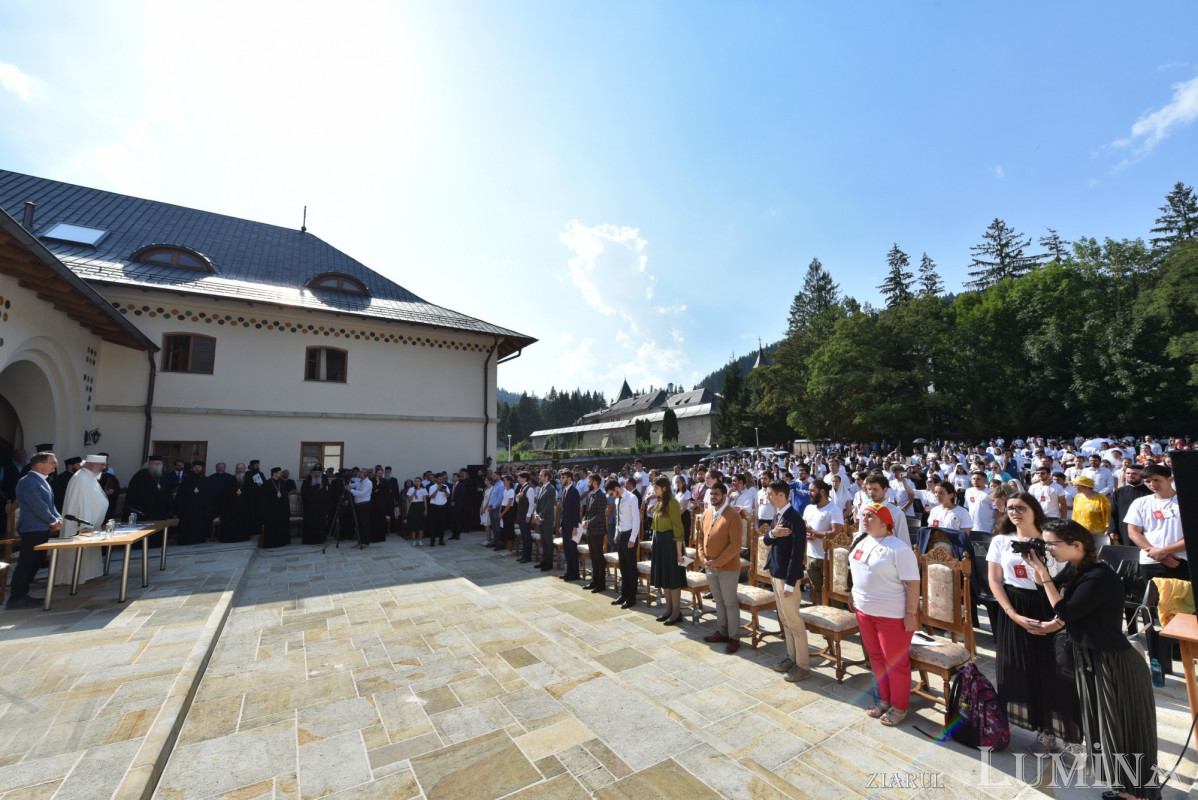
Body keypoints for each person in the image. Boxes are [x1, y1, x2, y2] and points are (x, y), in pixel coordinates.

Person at [1026, 519, 1162, 800]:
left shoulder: (1099, 577)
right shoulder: (1078, 568)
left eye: (1052, 543)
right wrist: (1039, 571)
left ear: (1076, 545)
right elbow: (1054, 598)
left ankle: (1135, 794)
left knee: (1122, 728)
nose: (1048, 548)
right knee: (1103, 730)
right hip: (1091, 658)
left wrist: (1043, 572)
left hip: (1112, 663)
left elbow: (1065, 609)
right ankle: (1125, 788)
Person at [987, 492, 1081, 752]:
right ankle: (1041, 727)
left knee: (1053, 669)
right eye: (1010, 508)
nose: (1015, 512)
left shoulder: (1049, 540)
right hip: (1013, 607)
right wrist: (1012, 613)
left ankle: (1064, 729)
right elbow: (995, 581)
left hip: (1046, 603)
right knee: (1019, 668)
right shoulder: (1000, 541)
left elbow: (1063, 578)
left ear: (1034, 510)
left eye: (1021, 507)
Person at [847, 503, 920, 727]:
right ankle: (884, 699)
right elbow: (856, 571)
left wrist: (911, 613)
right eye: (863, 516)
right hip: (864, 610)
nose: (864, 519)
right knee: (876, 657)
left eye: (870, 516)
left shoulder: (898, 548)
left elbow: (913, 582)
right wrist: (852, 594)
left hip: (892, 614)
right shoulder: (861, 540)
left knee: (895, 662)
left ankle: (899, 705)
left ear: (884, 522)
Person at [762, 479, 811, 681]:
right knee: (784, 619)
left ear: (781, 495)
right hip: (776, 573)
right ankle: (792, 657)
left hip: (786, 578)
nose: (768, 497)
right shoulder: (778, 515)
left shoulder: (795, 519)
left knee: (794, 621)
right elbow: (766, 540)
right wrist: (772, 533)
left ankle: (803, 665)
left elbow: (796, 554)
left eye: (770, 493)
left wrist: (790, 583)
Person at [7, 452, 62, 609]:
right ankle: (16, 598)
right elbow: (38, 505)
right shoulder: (28, 482)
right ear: (39, 465)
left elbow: (50, 505)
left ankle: (22, 595)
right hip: (32, 528)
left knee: (35, 562)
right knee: (27, 563)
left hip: (40, 528)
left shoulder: (41, 480)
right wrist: (52, 520)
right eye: (52, 462)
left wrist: (58, 519)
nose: (55, 465)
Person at [698, 481, 742, 652]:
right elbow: (701, 537)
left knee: (730, 602)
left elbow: (735, 545)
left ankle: (734, 637)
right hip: (710, 566)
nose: (713, 497)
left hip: (728, 567)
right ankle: (722, 631)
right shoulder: (708, 513)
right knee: (719, 601)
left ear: (725, 495)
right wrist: (702, 556)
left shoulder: (733, 515)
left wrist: (718, 561)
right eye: (711, 494)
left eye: (716, 494)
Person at [1125, 463, 1186, 582]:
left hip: (1181, 559)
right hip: (1151, 561)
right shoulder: (1140, 503)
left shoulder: (1187, 501)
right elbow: (1133, 532)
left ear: (1170, 479)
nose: (1152, 484)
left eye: (1157, 480)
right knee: (1155, 599)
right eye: (1148, 481)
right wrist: (1159, 555)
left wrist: (1164, 551)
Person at [58, 454, 110, 585]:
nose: (104, 468)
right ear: (92, 465)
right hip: (81, 525)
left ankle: (86, 575)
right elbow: (80, 503)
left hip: (90, 523)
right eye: (101, 465)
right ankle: (73, 577)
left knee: (88, 555)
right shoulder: (81, 478)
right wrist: (85, 522)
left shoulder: (88, 476)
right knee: (75, 553)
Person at [648, 475, 687, 624]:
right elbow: (655, 527)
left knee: (673, 579)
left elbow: (678, 528)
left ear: (664, 488)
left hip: (671, 545)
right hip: (660, 545)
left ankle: (677, 612)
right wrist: (654, 542)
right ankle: (669, 609)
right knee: (665, 578)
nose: (654, 490)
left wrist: (679, 553)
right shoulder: (659, 503)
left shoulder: (673, 503)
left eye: (657, 488)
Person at [803, 479, 844, 604]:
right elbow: (804, 527)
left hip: (827, 558)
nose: (809, 493)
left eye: (812, 491)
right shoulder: (809, 508)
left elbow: (836, 534)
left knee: (831, 591)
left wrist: (814, 533)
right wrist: (806, 534)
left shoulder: (834, 509)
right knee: (816, 590)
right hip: (811, 555)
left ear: (822, 492)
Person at [125, 455, 174, 547]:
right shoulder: (140, 475)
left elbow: (168, 491)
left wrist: (169, 505)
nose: (156, 465)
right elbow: (133, 493)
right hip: (145, 508)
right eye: (154, 463)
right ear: (149, 464)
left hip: (161, 508)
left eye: (158, 464)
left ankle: (157, 543)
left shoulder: (164, 475)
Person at [608, 478, 641, 608]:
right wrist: (617, 534)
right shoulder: (617, 499)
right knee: (623, 566)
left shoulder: (632, 498)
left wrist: (633, 538)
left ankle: (631, 597)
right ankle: (624, 594)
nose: (611, 496)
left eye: (611, 493)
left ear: (616, 488)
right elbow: (618, 519)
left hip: (630, 535)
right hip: (621, 535)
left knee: (631, 568)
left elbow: (636, 520)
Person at [1108, 462, 1151, 544]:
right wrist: (1112, 530)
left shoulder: (1150, 492)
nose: (1130, 475)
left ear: (1142, 475)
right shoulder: (1119, 492)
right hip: (1123, 530)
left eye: (1134, 473)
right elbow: (1114, 512)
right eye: (1128, 473)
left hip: (1145, 531)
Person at [581, 474, 608, 593]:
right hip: (590, 530)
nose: (588, 483)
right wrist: (584, 520)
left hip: (597, 530)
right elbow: (588, 512)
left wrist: (589, 523)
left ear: (595, 482)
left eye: (589, 481)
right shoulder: (591, 495)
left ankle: (601, 583)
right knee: (592, 556)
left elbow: (600, 515)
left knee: (598, 557)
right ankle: (594, 580)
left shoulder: (601, 495)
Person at [175, 460, 213, 545]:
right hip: (187, 507)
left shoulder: (206, 480)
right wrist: (179, 507)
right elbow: (180, 494)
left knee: (199, 524)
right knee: (186, 524)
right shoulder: (186, 479)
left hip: (200, 507)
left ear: (202, 469)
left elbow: (209, 495)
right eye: (195, 467)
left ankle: (198, 539)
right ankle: (186, 540)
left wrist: (207, 507)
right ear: (192, 468)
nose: (197, 469)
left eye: (199, 467)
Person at [557, 471, 582, 581]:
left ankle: (575, 573)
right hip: (565, 525)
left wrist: (575, 527)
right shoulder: (564, 490)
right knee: (566, 549)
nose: (562, 479)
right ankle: (568, 572)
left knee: (572, 550)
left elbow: (576, 511)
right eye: (561, 477)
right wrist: (561, 524)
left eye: (564, 477)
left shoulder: (574, 491)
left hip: (572, 526)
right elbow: (563, 511)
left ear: (570, 478)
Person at [259, 467, 292, 548]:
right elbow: (264, 499)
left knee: (282, 525)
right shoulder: (267, 483)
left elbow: (285, 497)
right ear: (274, 473)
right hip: (271, 510)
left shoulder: (282, 482)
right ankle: (272, 543)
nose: (281, 474)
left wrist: (287, 509)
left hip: (282, 509)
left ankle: (282, 541)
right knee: (272, 527)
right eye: (280, 472)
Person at [534, 469, 558, 571]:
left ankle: (549, 563)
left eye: (541, 475)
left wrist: (540, 516)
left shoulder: (551, 488)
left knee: (548, 542)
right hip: (541, 518)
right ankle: (544, 561)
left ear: (546, 477)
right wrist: (536, 513)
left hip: (547, 519)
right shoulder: (542, 488)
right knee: (543, 541)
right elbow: (538, 504)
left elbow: (549, 505)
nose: (539, 477)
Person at [300, 465, 330, 544]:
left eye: (319, 472)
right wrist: (314, 488)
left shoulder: (324, 481)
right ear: (312, 472)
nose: (317, 474)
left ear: (321, 473)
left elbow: (328, 493)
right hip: (310, 508)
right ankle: (309, 540)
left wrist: (322, 489)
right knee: (310, 524)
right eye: (315, 472)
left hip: (320, 507)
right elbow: (304, 494)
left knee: (320, 523)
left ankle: (320, 539)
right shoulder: (307, 481)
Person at [516, 471, 536, 563]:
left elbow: (531, 503)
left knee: (527, 536)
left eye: (520, 477)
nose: (518, 479)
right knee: (523, 535)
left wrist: (528, 515)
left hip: (525, 514)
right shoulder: (522, 488)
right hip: (521, 514)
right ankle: (524, 555)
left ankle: (527, 556)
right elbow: (518, 501)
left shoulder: (529, 489)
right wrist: (518, 496)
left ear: (525, 478)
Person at [426, 473, 449, 546]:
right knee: (433, 524)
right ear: (436, 479)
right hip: (434, 507)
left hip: (442, 507)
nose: (441, 480)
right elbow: (432, 496)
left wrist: (444, 491)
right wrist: (437, 490)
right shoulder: (432, 487)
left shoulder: (445, 486)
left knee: (442, 524)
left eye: (442, 479)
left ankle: (441, 540)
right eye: (439, 479)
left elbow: (448, 496)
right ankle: (432, 540)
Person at [495, 475, 516, 553]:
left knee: (508, 530)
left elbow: (509, 504)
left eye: (504, 480)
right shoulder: (505, 490)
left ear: (509, 481)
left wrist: (503, 513)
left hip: (508, 511)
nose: (503, 482)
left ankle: (509, 550)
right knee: (503, 529)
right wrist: (500, 512)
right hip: (503, 510)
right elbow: (503, 502)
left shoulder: (511, 491)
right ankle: (506, 548)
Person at [406, 478, 427, 545]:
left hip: (421, 506)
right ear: (414, 482)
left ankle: (420, 540)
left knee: (421, 523)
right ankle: (414, 540)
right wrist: (413, 493)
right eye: (416, 481)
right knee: (413, 523)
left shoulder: (423, 489)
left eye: (418, 481)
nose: (417, 482)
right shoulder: (411, 489)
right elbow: (409, 500)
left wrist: (426, 509)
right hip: (413, 506)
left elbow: (425, 500)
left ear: (421, 482)